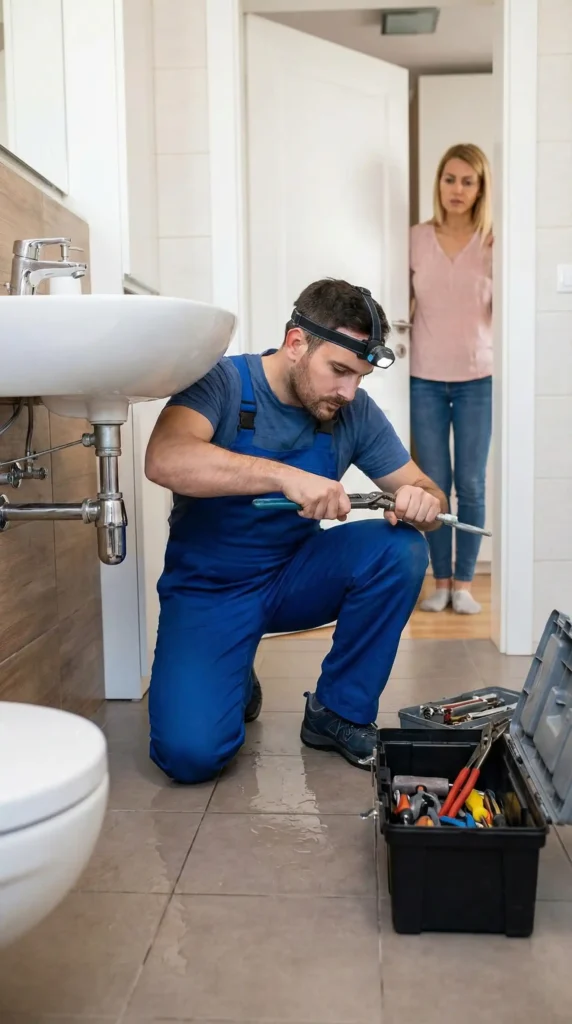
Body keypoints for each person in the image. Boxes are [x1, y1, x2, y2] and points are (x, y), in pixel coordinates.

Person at [145, 279, 447, 784]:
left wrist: (423, 501)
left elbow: (425, 490)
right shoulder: (222, 382)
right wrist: (284, 475)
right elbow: (165, 458)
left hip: (295, 578)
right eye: (340, 371)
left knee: (400, 549)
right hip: (211, 591)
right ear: (296, 343)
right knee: (190, 756)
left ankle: (337, 713)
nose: (349, 391)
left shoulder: (352, 410)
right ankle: (233, 669)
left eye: (360, 378)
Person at [410, 143, 493, 615]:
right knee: (433, 484)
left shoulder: (493, 241)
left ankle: (463, 583)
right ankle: (438, 581)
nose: (457, 190)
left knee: (472, 485)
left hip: (477, 377)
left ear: (480, 189)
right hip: (423, 376)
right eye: (449, 179)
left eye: (468, 181)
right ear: (438, 183)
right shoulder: (415, 238)